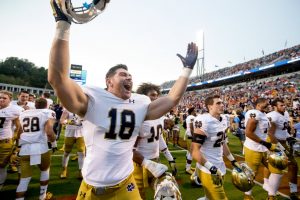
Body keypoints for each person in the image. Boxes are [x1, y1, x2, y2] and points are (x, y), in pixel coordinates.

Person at [49, 1, 198, 199]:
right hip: (93, 187)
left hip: (125, 185)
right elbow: (57, 78)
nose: (129, 77)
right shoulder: (93, 98)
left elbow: (171, 99)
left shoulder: (140, 102)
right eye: (122, 74)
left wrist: (186, 71)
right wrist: (63, 25)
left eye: (130, 75)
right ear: (108, 81)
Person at [132, 83, 177, 199]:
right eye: (152, 95)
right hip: (138, 163)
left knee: (165, 192)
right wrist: (146, 163)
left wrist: (170, 158)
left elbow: (159, 137)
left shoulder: (160, 116)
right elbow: (130, 149)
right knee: (138, 195)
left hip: (155, 159)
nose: (156, 98)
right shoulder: (137, 117)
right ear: (143, 97)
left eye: (157, 95)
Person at [191, 95, 240, 200]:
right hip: (208, 169)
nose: (222, 105)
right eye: (218, 103)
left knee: (210, 197)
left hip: (219, 165)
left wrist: (233, 160)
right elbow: (194, 151)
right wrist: (211, 167)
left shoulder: (224, 119)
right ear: (210, 106)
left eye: (222, 103)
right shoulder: (204, 121)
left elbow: (223, 143)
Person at [243, 98, 280, 200]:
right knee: (251, 174)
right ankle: (247, 196)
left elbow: (265, 132)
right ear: (258, 104)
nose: (268, 105)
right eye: (266, 103)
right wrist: (266, 144)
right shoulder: (254, 113)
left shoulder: (263, 114)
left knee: (277, 168)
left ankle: (271, 194)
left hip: (263, 148)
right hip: (253, 148)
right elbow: (248, 132)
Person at [265, 99, 299, 200]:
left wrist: (289, 137)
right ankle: (270, 195)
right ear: (275, 106)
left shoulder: (285, 113)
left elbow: (283, 130)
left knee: (293, 165)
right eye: (281, 105)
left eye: (284, 105)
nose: (284, 106)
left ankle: (293, 191)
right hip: (274, 142)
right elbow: (270, 133)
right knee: (275, 169)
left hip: (283, 142)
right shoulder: (273, 116)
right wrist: (280, 148)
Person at [0, 90, 22, 190]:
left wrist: (17, 143)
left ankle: (0, 184)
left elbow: (19, 127)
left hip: (5, 141)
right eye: (0, 97)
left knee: (1, 166)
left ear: (10, 100)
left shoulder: (15, 110)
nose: (1, 99)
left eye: (4, 98)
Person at [59, 109, 85, 179]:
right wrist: (68, 121)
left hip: (81, 133)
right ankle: (64, 169)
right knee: (67, 152)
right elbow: (61, 120)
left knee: (81, 152)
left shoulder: (84, 108)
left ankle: (81, 171)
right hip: (69, 133)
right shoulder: (67, 108)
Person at [185, 107, 196, 175]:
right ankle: (188, 168)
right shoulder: (191, 117)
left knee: (189, 152)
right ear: (192, 111)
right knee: (191, 153)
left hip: (188, 135)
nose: (195, 112)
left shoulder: (189, 117)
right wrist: (194, 136)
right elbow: (192, 127)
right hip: (191, 136)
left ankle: (188, 166)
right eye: (194, 111)